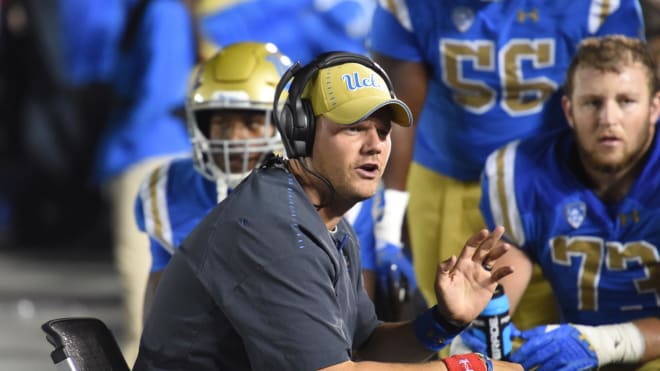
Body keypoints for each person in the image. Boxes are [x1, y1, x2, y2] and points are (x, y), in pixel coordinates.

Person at [134, 52, 521, 370]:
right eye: (354, 128)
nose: (375, 145)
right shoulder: (270, 227)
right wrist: (465, 368)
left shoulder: (325, 221)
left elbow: (362, 346)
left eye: (383, 131)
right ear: (299, 132)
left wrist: (442, 322)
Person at [368, 0, 646, 331]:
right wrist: (389, 222)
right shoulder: (409, 7)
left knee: (556, 324)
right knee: (462, 321)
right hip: (452, 176)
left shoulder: (597, 6)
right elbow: (400, 115)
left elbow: (624, 95)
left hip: (559, 183)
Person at [474, 35, 660, 370]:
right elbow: (505, 278)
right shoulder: (522, 172)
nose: (609, 118)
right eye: (592, 102)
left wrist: (607, 342)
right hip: (579, 354)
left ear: (654, 108)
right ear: (569, 110)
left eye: (627, 101)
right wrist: (479, 325)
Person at [134, 41, 291, 317]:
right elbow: (161, 317)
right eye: (221, 121)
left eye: (251, 122)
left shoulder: (319, 194)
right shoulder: (168, 189)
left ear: (287, 122)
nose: (233, 137)